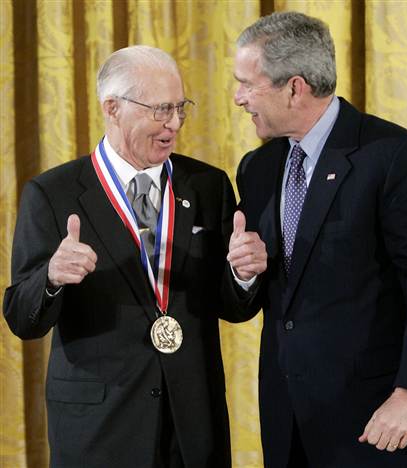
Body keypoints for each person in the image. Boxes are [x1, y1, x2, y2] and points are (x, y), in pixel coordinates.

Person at [226, 11, 407, 468]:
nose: (238, 98)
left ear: (294, 87)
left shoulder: (395, 157)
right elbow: (261, 302)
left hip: (378, 423)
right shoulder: (256, 170)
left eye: (246, 83)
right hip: (290, 424)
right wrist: (244, 273)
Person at [3, 45, 236, 467]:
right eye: (161, 110)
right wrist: (51, 278)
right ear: (112, 108)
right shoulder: (53, 193)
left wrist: (244, 274)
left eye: (181, 108)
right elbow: (22, 317)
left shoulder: (207, 185)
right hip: (100, 431)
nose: (175, 124)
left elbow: (233, 305)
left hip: (192, 427)